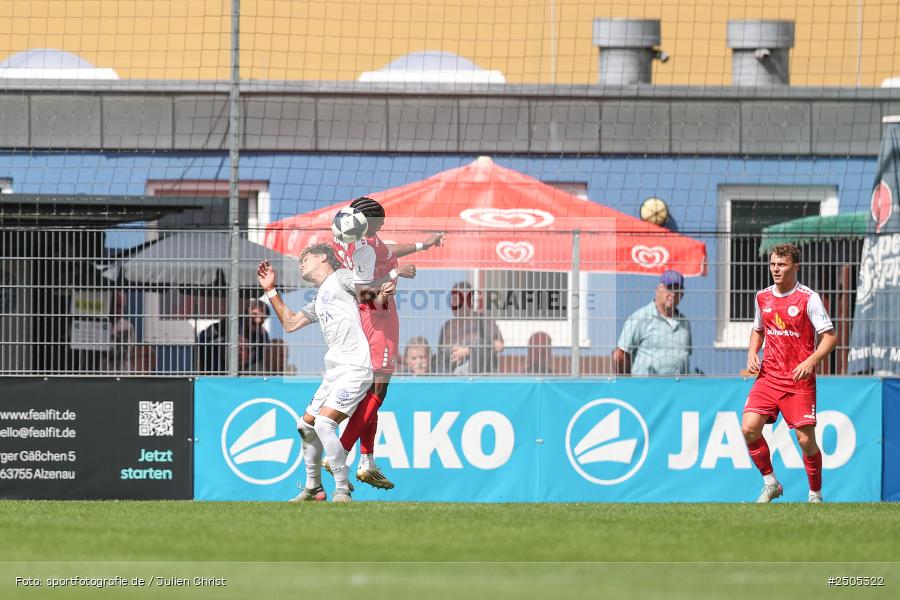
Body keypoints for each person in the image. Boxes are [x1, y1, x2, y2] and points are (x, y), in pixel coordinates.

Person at [324, 196, 444, 490]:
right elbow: (363, 293)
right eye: (380, 223)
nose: (382, 227)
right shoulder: (363, 250)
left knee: (373, 392)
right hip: (378, 316)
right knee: (377, 391)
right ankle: (341, 449)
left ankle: (367, 462)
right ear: (369, 224)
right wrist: (395, 273)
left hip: (376, 314)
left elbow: (389, 250)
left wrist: (423, 246)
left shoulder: (352, 235)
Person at [257, 244, 386, 503]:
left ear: (323, 257)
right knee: (305, 425)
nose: (301, 263)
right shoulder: (321, 297)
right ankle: (314, 488)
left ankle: (342, 489)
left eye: (305, 258)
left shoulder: (341, 277)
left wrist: (380, 295)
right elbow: (291, 323)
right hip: (335, 370)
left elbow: (366, 291)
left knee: (324, 423)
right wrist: (270, 290)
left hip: (355, 366)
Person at [742, 243, 836, 503]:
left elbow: (829, 337)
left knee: (805, 440)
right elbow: (758, 329)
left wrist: (811, 361)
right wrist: (752, 353)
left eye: (781, 265)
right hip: (769, 376)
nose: (775, 269)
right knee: (749, 428)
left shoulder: (808, 298)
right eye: (772, 264)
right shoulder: (763, 297)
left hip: (798, 380)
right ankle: (771, 482)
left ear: (795, 266)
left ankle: (815, 494)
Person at [613, 270, 692, 375]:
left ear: (682, 294)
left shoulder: (684, 323)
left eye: (677, 289)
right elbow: (620, 355)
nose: (673, 294)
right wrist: (628, 384)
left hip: (676, 388)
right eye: (669, 288)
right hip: (646, 388)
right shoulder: (640, 317)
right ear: (658, 290)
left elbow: (684, 356)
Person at [435, 282, 505, 374]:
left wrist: (467, 351)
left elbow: (499, 346)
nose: (458, 304)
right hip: (452, 379)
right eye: (455, 299)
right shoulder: (447, 327)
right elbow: (441, 356)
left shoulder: (484, 321)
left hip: (479, 378)